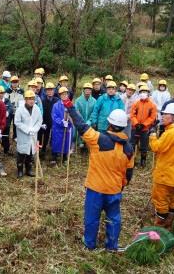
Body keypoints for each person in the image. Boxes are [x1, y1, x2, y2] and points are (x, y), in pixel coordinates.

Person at [62, 96, 134, 251]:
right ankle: (112, 246)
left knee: (92, 218)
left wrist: (70, 106)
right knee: (114, 219)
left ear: (109, 123)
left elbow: (81, 125)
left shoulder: (98, 139)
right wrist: (121, 186)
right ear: (123, 126)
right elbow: (129, 174)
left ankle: (89, 244)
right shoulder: (129, 148)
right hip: (114, 190)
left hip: (96, 188)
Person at [14, 90, 42, 178]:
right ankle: (20, 170)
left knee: (30, 153)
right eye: (29, 99)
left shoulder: (36, 108)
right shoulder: (20, 110)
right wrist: (27, 129)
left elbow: (39, 120)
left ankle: (28, 170)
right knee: (21, 154)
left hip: (33, 134)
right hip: (23, 135)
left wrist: (35, 129)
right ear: (25, 100)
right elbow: (17, 122)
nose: (31, 101)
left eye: (33, 99)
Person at [130, 85, 157, 167]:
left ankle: (143, 160)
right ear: (139, 93)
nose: (143, 93)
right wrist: (136, 123)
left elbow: (152, 117)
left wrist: (144, 124)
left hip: (145, 129)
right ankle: (131, 159)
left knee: (144, 145)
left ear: (148, 93)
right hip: (135, 127)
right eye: (141, 92)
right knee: (132, 144)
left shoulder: (152, 105)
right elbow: (132, 114)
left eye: (145, 92)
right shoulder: (136, 103)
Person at [51, 87, 73, 165]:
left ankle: (64, 158)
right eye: (62, 94)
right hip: (57, 128)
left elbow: (73, 115)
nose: (64, 96)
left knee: (66, 142)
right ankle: (54, 157)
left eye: (65, 94)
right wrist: (61, 122)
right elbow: (54, 116)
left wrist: (69, 122)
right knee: (56, 142)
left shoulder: (70, 105)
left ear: (68, 95)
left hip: (67, 128)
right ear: (60, 95)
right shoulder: (56, 105)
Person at [39, 82, 58, 159]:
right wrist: (42, 122)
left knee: (54, 137)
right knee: (45, 136)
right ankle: (43, 150)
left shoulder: (57, 100)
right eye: (48, 90)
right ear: (46, 91)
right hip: (46, 122)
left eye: (51, 90)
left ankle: (54, 152)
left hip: (55, 122)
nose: (50, 92)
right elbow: (41, 113)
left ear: (54, 91)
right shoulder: (42, 101)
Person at [75, 83, 96, 149]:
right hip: (81, 122)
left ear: (91, 91)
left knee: (89, 133)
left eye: (89, 90)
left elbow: (94, 113)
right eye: (86, 89)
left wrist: (89, 121)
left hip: (89, 122)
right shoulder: (78, 100)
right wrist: (82, 121)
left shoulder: (94, 101)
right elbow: (76, 111)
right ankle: (80, 142)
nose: (88, 91)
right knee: (79, 132)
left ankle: (87, 143)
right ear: (83, 90)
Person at [5, 76, 24, 142]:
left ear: (18, 83)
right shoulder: (7, 90)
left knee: (16, 125)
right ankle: (6, 137)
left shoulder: (21, 91)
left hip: (18, 111)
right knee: (7, 125)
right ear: (11, 83)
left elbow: (22, 100)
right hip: (9, 111)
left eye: (16, 82)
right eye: (13, 82)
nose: (15, 84)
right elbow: (6, 100)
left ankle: (15, 137)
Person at [0, 85, 14, 155]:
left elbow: (11, 108)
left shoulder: (7, 100)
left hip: (6, 123)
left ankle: (6, 150)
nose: (1, 95)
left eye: (2, 93)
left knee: (6, 137)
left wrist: (7, 112)